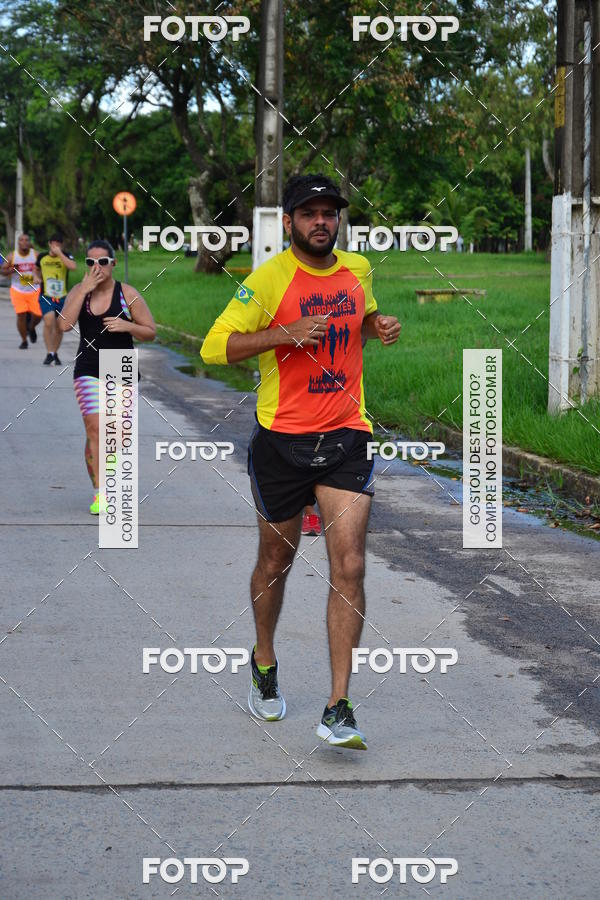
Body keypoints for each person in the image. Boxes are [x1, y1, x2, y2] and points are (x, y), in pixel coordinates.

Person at [201, 173, 401, 750]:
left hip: (346, 434)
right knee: (274, 563)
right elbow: (216, 346)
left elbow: (360, 318)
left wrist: (375, 325)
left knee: (351, 566)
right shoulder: (268, 280)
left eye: (329, 213)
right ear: (288, 222)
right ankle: (264, 659)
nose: (321, 222)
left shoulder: (357, 271)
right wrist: (282, 333)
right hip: (282, 443)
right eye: (309, 213)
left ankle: (339, 706)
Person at [59, 240, 156, 514]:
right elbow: (64, 324)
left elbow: (150, 331)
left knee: (118, 433)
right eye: (90, 262)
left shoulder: (127, 293)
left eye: (103, 262)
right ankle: (100, 493)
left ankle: (110, 478)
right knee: (95, 427)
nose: (97, 267)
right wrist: (83, 290)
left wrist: (127, 325)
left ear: (113, 264)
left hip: (121, 366)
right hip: (88, 367)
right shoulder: (80, 291)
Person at [35, 233, 77, 365]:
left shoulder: (66, 255)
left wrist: (60, 254)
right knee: (49, 321)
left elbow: (73, 267)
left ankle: (54, 352)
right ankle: (49, 353)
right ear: (49, 244)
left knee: (60, 327)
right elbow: (36, 269)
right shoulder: (42, 257)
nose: (56, 247)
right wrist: (36, 277)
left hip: (63, 297)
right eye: (54, 244)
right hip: (46, 295)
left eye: (58, 245)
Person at [1, 233, 42, 348]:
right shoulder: (12, 256)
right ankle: (24, 340)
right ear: (18, 242)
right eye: (21, 240)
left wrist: (40, 276)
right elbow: (2, 271)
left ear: (29, 242)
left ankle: (31, 327)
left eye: (26, 240)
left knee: (38, 315)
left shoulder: (36, 255)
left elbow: (43, 269)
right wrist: (11, 271)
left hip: (34, 290)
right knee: (21, 315)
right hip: (17, 290)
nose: (24, 242)